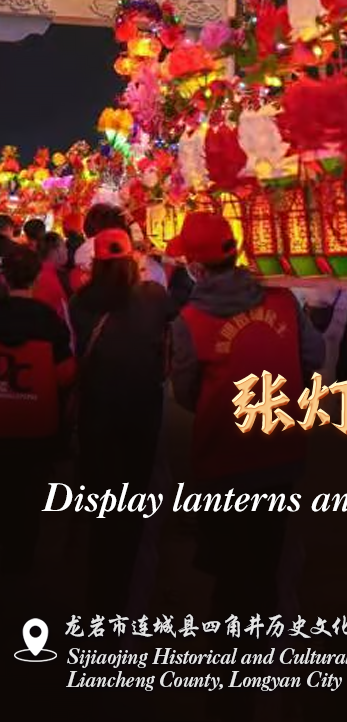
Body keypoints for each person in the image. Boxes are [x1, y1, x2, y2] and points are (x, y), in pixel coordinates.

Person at [171, 213, 325, 632]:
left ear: (196, 268)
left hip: (222, 458)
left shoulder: (189, 321)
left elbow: (186, 393)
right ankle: (267, 641)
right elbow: (314, 357)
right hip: (281, 450)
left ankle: (236, 651)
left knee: (230, 568)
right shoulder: (282, 300)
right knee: (269, 554)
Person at [69, 228, 173, 612]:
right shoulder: (153, 297)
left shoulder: (79, 303)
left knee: (102, 507)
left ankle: (99, 596)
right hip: (141, 415)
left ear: (96, 263)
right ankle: (124, 597)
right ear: (132, 261)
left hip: (97, 415)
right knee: (132, 509)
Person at [0, 244, 75, 582]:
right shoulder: (49, 320)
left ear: (5, 278)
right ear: (35, 278)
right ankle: (21, 558)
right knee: (29, 493)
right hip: (38, 422)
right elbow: (66, 373)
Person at [33, 232, 69, 320]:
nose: (67, 250)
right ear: (57, 250)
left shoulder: (34, 273)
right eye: (64, 246)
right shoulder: (59, 277)